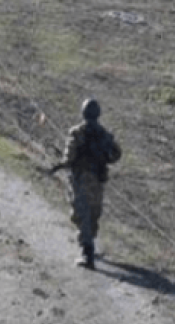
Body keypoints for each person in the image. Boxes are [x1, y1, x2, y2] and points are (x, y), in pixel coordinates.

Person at [47, 98, 122, 270]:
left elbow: (69, 157)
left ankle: (87, 253)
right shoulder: (104, 134)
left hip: (80, 179)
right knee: (94, 211)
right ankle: (90, 245)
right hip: (97, 180)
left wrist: (61, 164)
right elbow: (116, 154)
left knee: (81, 213)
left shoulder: (77, 132)